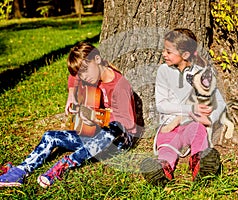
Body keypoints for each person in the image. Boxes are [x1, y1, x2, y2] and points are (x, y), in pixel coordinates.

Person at [0, 41, 136, 188]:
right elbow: (74, 76)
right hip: (96, 134)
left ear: (97, 59)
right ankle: (20, 171)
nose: (83, 77)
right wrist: (71, 95)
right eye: (80, 74)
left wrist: (95, 118)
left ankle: (63, 165)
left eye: (84, 71)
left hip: (119, 139)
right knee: (50, 136)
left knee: (112, 129)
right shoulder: (90, 73)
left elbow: (127, 123)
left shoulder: (120, 86)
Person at [140, 28, 223, 185]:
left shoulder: (201, 73)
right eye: (164, 50)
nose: (164, 54)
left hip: (191, 124)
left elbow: (218, 101)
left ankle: (200, 165)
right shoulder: (163, 71)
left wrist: (210, 119)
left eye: (169, 51)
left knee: (198, 132)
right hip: (169, 126)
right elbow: (162, 105)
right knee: (167, 147)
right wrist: (190, 110)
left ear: (185, 55)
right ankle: (162, 169)